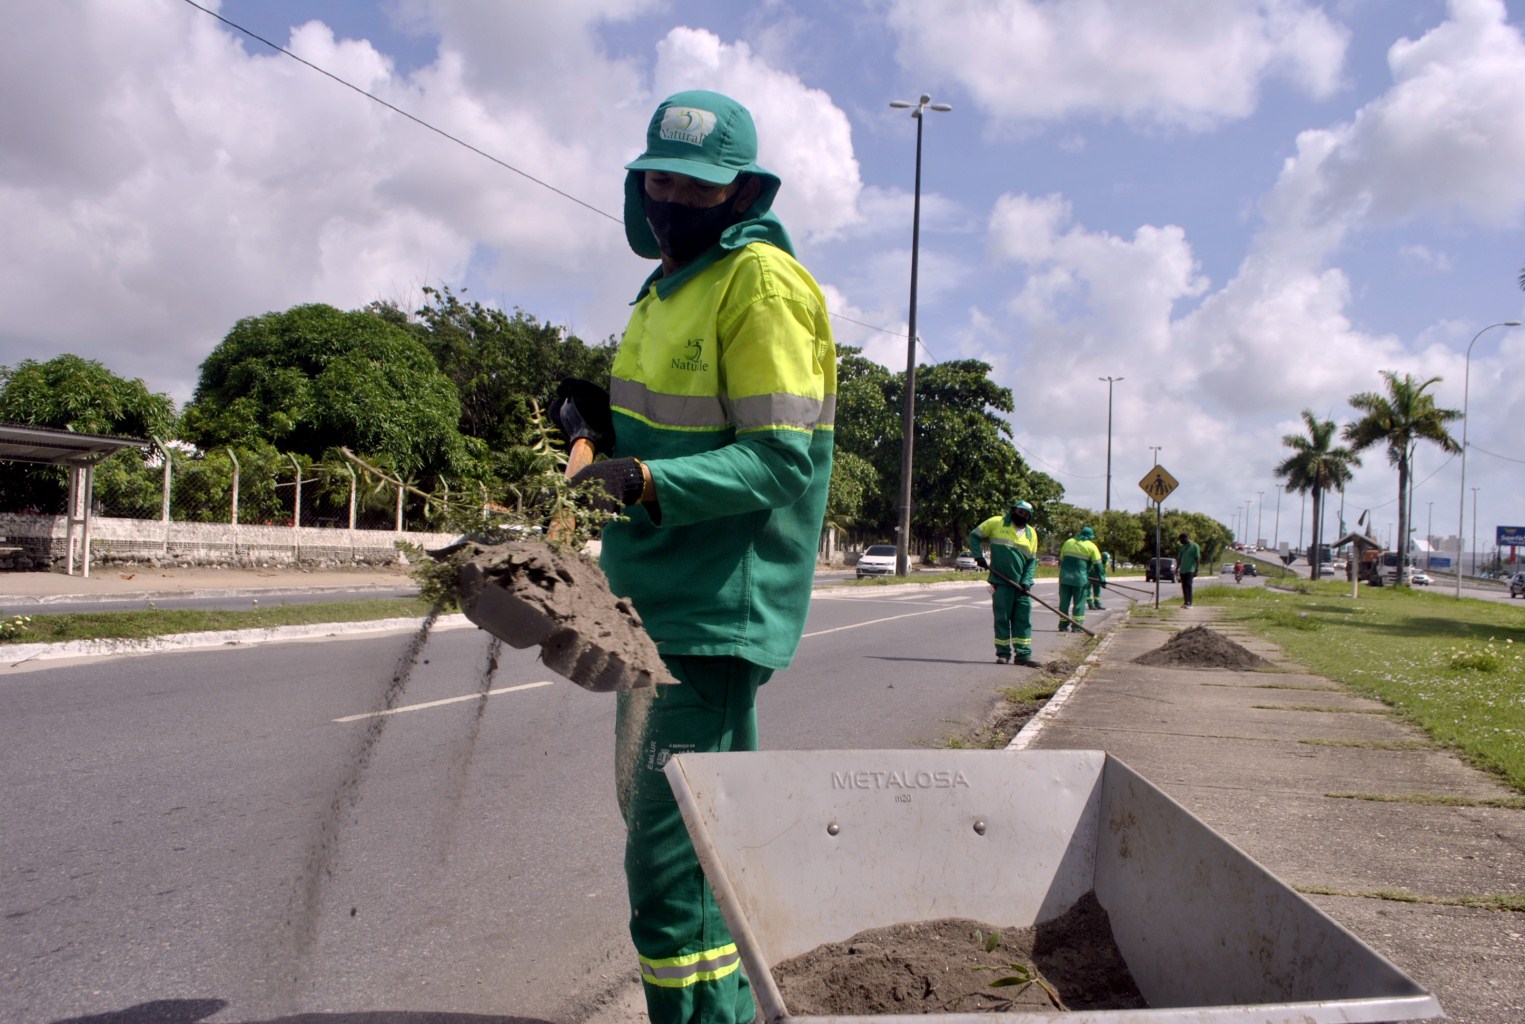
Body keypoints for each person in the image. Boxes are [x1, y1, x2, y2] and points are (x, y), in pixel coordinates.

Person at [551, 90, 836, 1024]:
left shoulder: (759, 282)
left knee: (676, 872)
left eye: (695, 184)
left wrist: (641, 484)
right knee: (671, 840)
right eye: (659, 178)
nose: (672, 196)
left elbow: (780, 455)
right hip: (650, 600)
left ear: (743, 192)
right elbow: (664, 425)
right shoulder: (665, 288)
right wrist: (597, 426)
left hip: (712, 608)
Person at [967, 499, 1040, 665]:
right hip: (1001, 582)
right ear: (1013, 510)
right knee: (1002, 619)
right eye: (1020, 512)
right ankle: (1003, 654)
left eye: (1026, 514)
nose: (1023, 516)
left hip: (1021, 586)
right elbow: (974, 535)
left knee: (1023, 619)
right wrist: (979, 556)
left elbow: (1031, 561)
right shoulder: (996, 522)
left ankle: (1022, 655)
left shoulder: (1031, 534)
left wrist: (1026, 581)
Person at [1057, 526, 1104, 632]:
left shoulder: (1068, 542)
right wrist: (1102, 579)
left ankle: (1063, 625)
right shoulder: (1091, 546)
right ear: (1090, 537)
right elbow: (1098, 566)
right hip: (1079, 580)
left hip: (1064, 578)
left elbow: (1062, 558)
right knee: (1079, 603)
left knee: (1064, 603)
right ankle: (1077, 627)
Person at [1177, 532, 1201, 607]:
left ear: (1186, 538)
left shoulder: (1194, 546)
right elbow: (1179, 558)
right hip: (1183, 570)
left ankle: (1189, 602)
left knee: (1189, 585)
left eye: (1181, 539)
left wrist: (1197, 569)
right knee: (1183, 586)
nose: (1180, 541)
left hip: (1190, 569)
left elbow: (1197, 558)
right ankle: (1185, 601)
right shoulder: (1182, 547)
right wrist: (1177, 568)